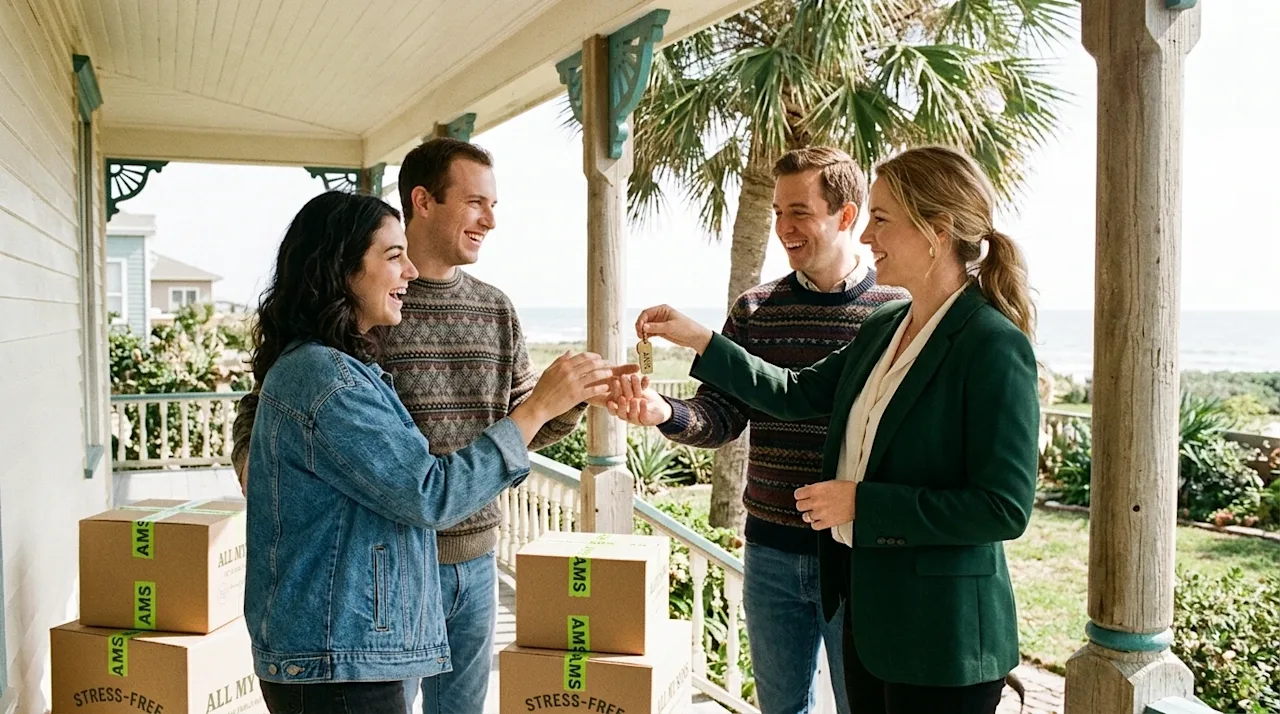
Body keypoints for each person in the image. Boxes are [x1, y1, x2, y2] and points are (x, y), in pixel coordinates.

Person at [623, 145, 1040, 714]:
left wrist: (862, 504)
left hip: (944, 638)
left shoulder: (993, 345)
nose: (868, 235)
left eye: (883, 218)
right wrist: (699, 340)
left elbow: (1002, 508)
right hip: (870, 622)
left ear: (937, 231)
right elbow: (795, 394)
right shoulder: (886, 326)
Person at [233, 139, 639, 714]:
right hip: (368, 583)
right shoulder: (348, 341)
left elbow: (520, 418)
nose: (491, 220)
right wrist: (259, 468)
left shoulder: (492, 308)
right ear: (423, 201)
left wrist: (569, 400)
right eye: (476, 202)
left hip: (469, 561)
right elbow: (285, 410)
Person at [606, 146, 906, 714]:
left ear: (846, 216)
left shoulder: (896, 310)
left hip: (858, 553)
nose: (783, 229)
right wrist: (662, 412)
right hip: (770, 551)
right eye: (777, 212)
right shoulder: (756, 308)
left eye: (799, 212)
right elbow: (720, 416)